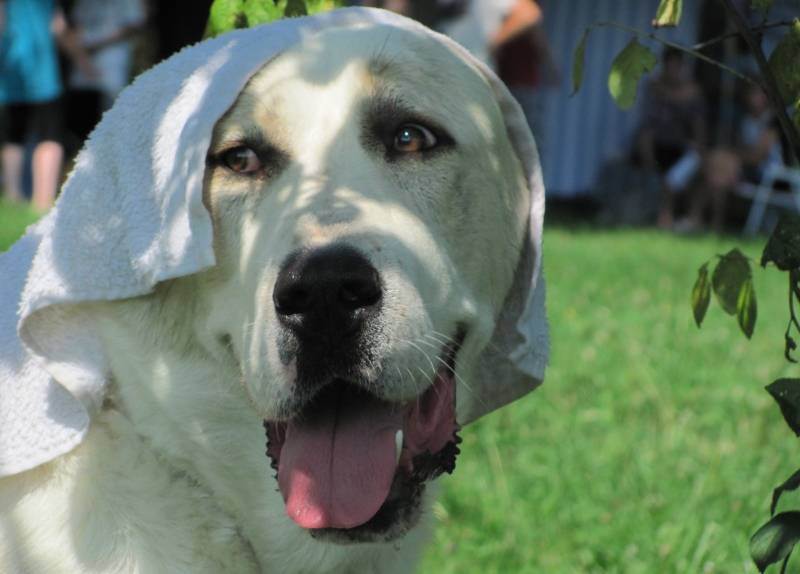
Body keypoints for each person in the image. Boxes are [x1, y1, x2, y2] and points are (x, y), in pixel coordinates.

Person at [0, 0, 95, 211]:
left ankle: (13, 196)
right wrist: (83, 62)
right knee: (49, 136)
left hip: (11, 70)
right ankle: (42, 202)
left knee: (14, 135)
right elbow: (59, 29)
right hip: (44, 75)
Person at [634, 47, 706, 229]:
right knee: (647, 144)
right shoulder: (654, 88)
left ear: (682, 67)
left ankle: (685, 217)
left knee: (679, 177)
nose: (673, 69)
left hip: (682, 147)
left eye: (676, 65)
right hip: (658, 145)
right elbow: (647, 126)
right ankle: (663, 216)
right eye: (670, 65)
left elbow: (698, 124)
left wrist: (699, 146)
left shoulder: (691, 91)